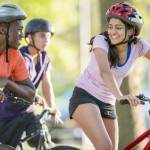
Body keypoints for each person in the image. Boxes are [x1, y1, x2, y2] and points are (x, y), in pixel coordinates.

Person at [69, 2, 150, 150]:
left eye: (118, 27)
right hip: (85, 96)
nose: (112, 31)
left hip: (107, 102)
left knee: (112, 149)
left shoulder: (138, 46)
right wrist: (120, 96)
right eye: (111, 26)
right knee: (105, 146)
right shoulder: (101, 41)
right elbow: (105, 71)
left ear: (131, 30)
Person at [0, 2, 36, 149]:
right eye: (19, 29)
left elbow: (30, 94)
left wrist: (7, 83)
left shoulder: (14, 55)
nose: (22, 34)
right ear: (3, 29)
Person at [20, 18, 56, 109]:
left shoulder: (44, 57)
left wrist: (52, 108)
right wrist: (34, 95)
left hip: (29, 111)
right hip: (9, 113)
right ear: (30, 37)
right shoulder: (22, 57)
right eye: (42, 36)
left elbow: (46, 84)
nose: (47, 40)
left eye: (48, 36)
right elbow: (22, 84)